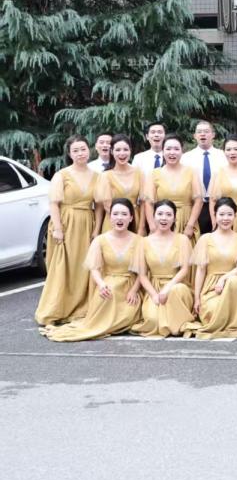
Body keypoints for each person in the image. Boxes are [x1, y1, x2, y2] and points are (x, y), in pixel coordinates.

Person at [42, 199, 142, 342]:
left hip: (129, 287)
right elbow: (94, 268)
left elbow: (143, 272)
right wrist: (101, 284)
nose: (119, 218)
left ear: (131, 218)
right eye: (115, 214)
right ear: (110, 217)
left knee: (127, 317)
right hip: (107, 285)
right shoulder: (100, 240)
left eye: (124, 214)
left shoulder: (139, 241)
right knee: (107, 299)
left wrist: (134, 290)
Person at [35, 136, 103, 325]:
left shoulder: (97, 176)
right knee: (63, 267)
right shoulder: (62, 175)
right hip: (66, 222)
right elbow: (54, 204)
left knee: (83, 267)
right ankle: (57, 308)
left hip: (86, 223)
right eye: (76, 150)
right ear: (70, 154)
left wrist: (97, 228)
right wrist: (58, 229)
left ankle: (81, 306)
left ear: (89, 150)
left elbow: (98, 205)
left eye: (83, 149)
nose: (80, 153)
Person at [183, 197, 237, 340]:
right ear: (215, 216)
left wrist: (224, 279)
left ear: (235, 216)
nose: (225, 218)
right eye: (221, 214)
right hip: (211, 288)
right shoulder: (206, 239)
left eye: (229, 214)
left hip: (234, 288)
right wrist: (197, 298)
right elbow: (201, 271)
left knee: (234, 280)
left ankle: (236, 322)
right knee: (213, 311)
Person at [131, 200, 194, 338]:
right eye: (160, 214)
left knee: (178, 290)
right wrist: (154, 294)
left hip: (177, 286)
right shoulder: (144, 242)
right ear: (153, 216)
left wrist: (167, 289)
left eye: (168, 215)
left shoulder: (183, 239)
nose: (164, 218)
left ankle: (178, 323)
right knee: (153, 321)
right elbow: (142, 275)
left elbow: (184, 270)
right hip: (154, 287)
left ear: (174, 218)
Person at [143, 135, 202, 242]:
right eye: (168, 149)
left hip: (186, 220)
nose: (172, 152)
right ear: (163, 151)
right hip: (162, 221)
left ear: (182, 151)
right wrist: (152, 226)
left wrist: (190, 225)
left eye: (176, 149)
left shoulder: (191, 172)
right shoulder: (154, 173)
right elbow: (148, 203)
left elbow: (198, 200)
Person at [181, 119, 228, 234]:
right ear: (195, 136)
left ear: (213, 135)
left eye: (206, 131)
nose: (203, 134)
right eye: (199, 132)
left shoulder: (223, 156)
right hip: (195, 206)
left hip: (219, 205)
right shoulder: (186, 158)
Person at [96, 134, 145, 234]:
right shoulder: (105, 176)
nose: (122, 153)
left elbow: (144, 202)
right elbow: (106, 205)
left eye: (125, 150)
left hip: (134, 220)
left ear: (130, 151)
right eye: (118, 150)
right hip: (113, 221)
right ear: (111, 152)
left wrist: (141, 227)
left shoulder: (139, 173)